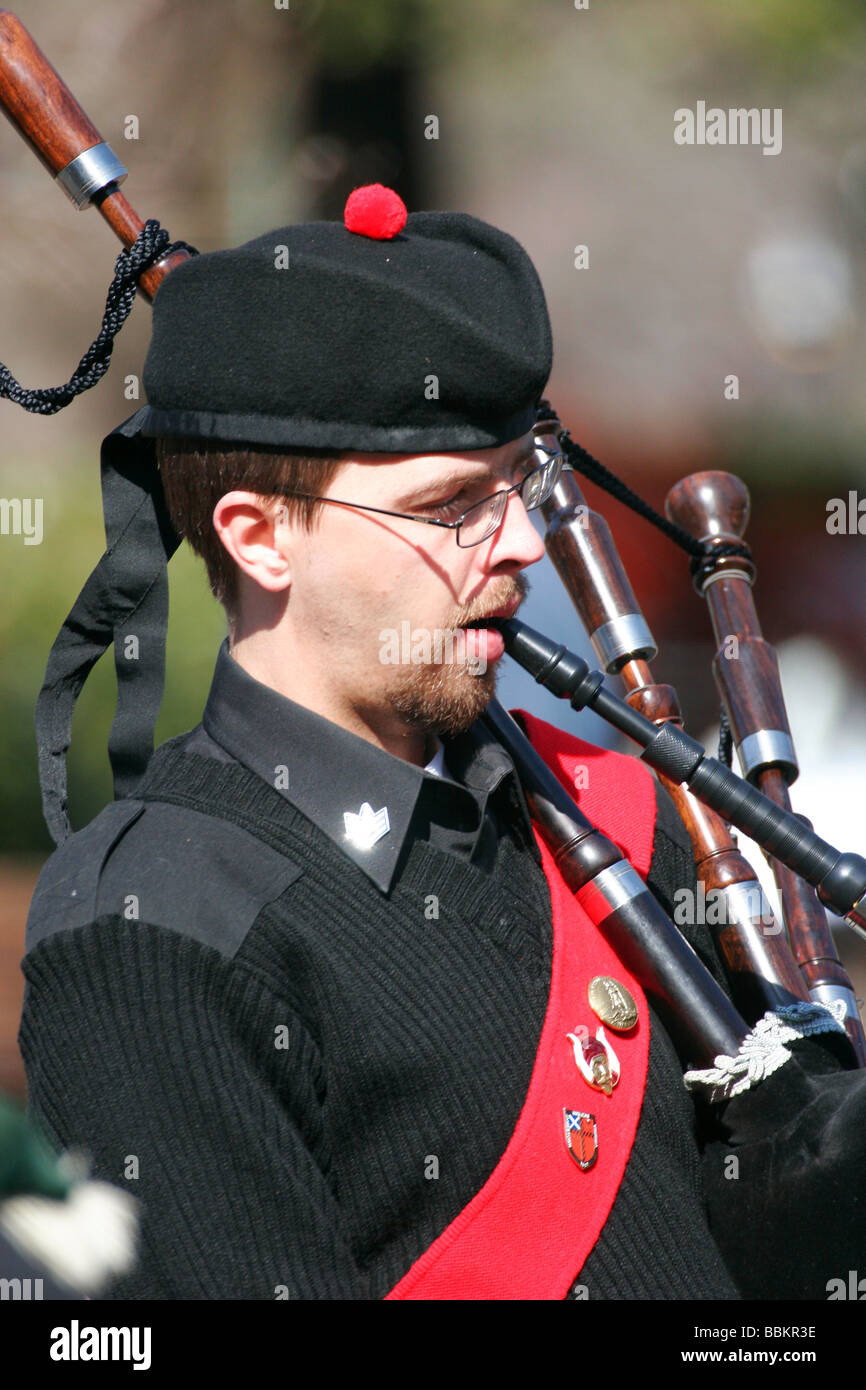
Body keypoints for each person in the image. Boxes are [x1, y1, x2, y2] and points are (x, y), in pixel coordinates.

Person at [18, 185, 856, 1300]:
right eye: (452, 505)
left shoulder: (618, 814)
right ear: (259, 538)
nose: (520, 544)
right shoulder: (150, 924)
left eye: (519, 485)